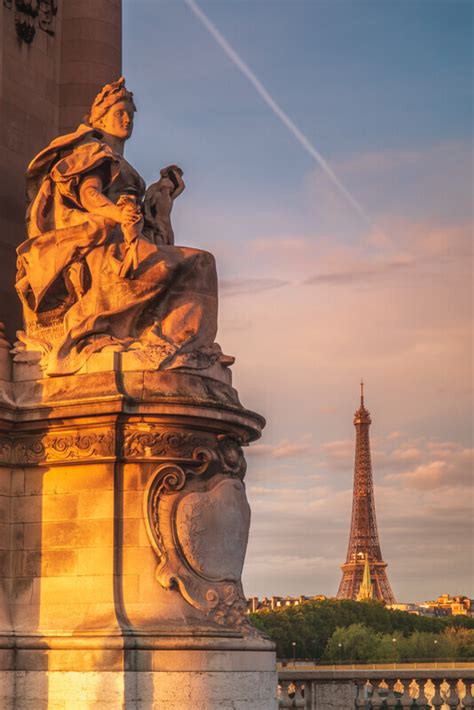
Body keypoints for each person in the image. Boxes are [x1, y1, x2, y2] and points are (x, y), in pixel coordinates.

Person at [15, 78, 227, 376]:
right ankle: (169, 345)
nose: (127, 119)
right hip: (101, 251)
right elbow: (89, 195)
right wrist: (119, 214)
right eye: (119, 113)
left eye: (130, 114)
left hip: (128, 241)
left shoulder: (120, 163)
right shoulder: (92, 151)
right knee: (201, 262)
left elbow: (140, 219)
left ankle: (178, 345)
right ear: (99, 118)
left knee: (202, 263)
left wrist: (160, 199)